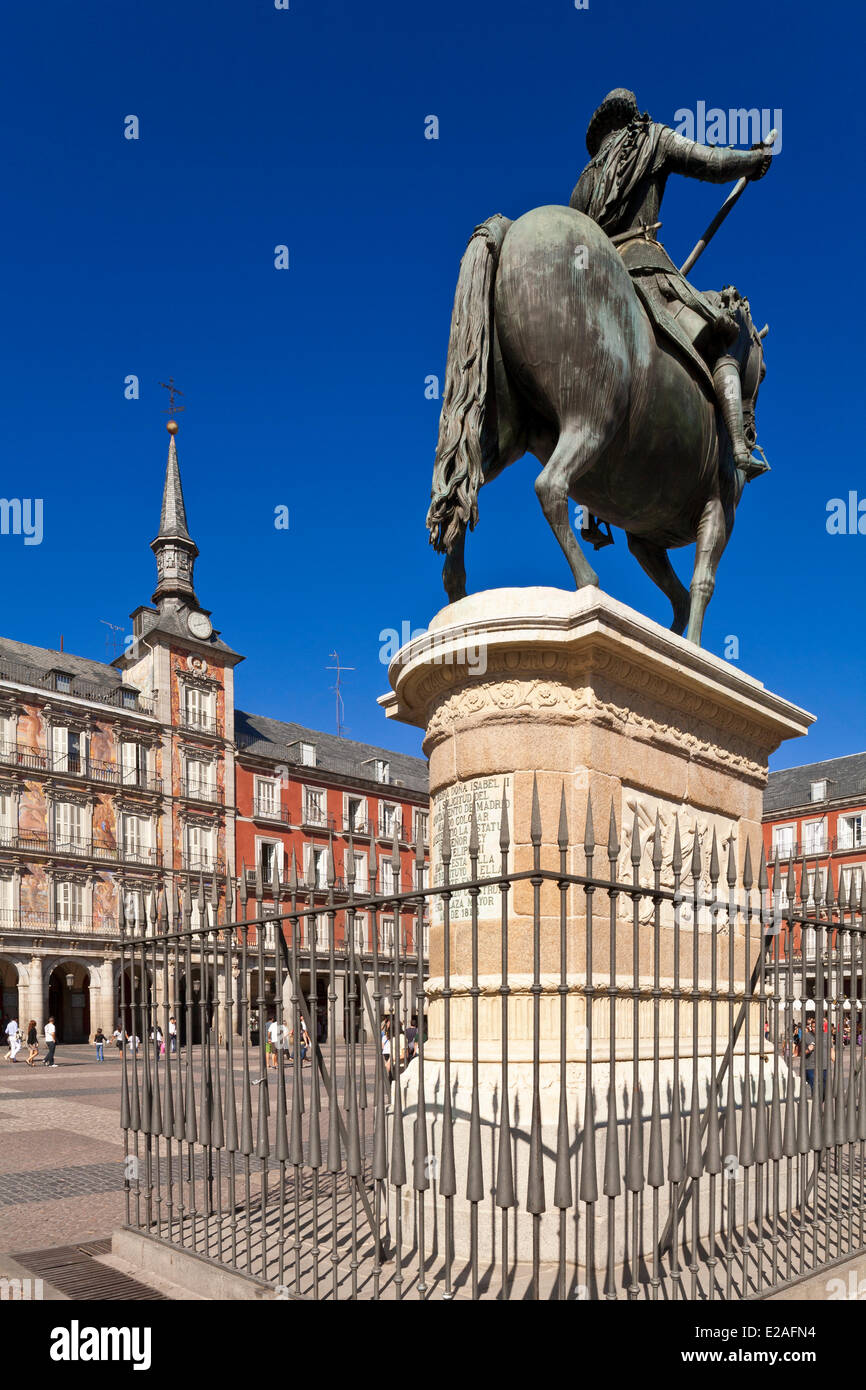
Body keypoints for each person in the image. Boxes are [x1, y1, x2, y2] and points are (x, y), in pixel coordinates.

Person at [569, 89, 771, 546]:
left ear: (601, 131)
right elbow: (710, 162)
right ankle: (739, 447)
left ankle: (589, 508)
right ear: (631, 116)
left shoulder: (585, 177)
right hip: (644, 269)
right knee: (723, 330)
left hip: (592, 280)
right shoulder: (651, 138)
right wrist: (750, 160)